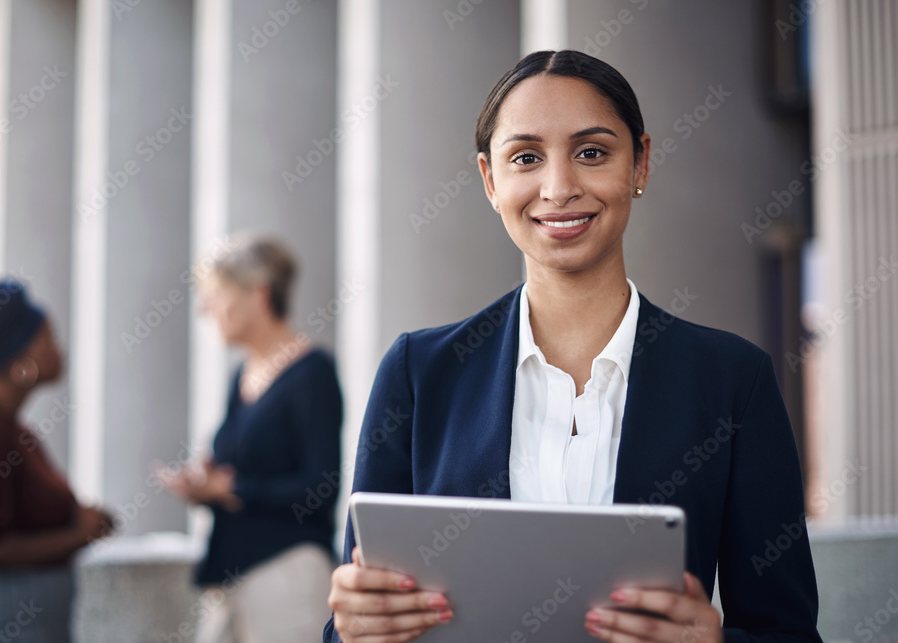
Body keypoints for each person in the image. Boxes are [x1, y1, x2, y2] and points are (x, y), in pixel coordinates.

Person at [324, 50, 821, 643]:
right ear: (490, 179)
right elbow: (357, 619)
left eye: (592, 152)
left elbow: (786, 632)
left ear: (639, 163)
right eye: (526, 158)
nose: (558, 188)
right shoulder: (418, 374)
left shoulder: (733, 380)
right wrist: (352, 629)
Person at [158, 234, 343, 643]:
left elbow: (321, 488)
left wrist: (232, 488)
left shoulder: (312, 372)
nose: (206, 310)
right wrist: (205, 484)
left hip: (287, 572)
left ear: (258, 294)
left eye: (216, 295)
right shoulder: (240, 375)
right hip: (230, 572)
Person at [0, 280, 114, 643]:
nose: (60, 351)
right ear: (20, 362)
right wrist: (79, 534)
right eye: (49, 339)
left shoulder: (8, 427)